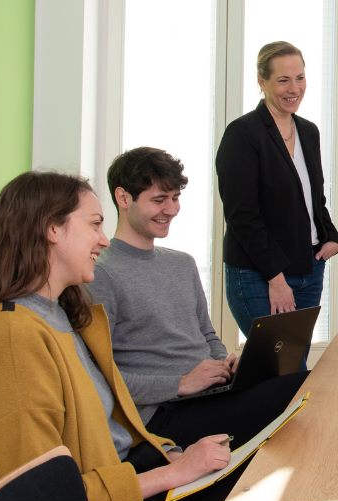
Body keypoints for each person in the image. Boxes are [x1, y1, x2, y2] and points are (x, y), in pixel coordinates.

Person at [0, 171, 239, 501]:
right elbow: (48, 500)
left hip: (125, 477)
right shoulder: (10, 341)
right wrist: (174, 473)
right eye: (95, 225)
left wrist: (170, 455)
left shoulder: (60, 316)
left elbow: (111, 430)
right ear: (52, 229)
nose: (104, 240)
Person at [87, 147, 308, 451]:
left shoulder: (182, 263)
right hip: (162, 413)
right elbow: (98, 376)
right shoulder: (101, 273)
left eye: (175, 199)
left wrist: (224, 363)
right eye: (158, 200)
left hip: (209, 393)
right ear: (123, 198)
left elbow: (206, 334)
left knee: (308, 382)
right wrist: (180, 383)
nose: (171, 209)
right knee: (302, 392)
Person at [216, 41, 338, 371]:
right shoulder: (242, 134)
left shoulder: (308, 131)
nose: (294, 88)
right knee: (281, 370)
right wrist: (276, 279)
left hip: (309, 269)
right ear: (262, 82)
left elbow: (314, 198)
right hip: (260, 274)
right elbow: (242, 216)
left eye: (300, 78)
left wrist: (331, 236)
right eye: (283, 80)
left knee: (290, 364)